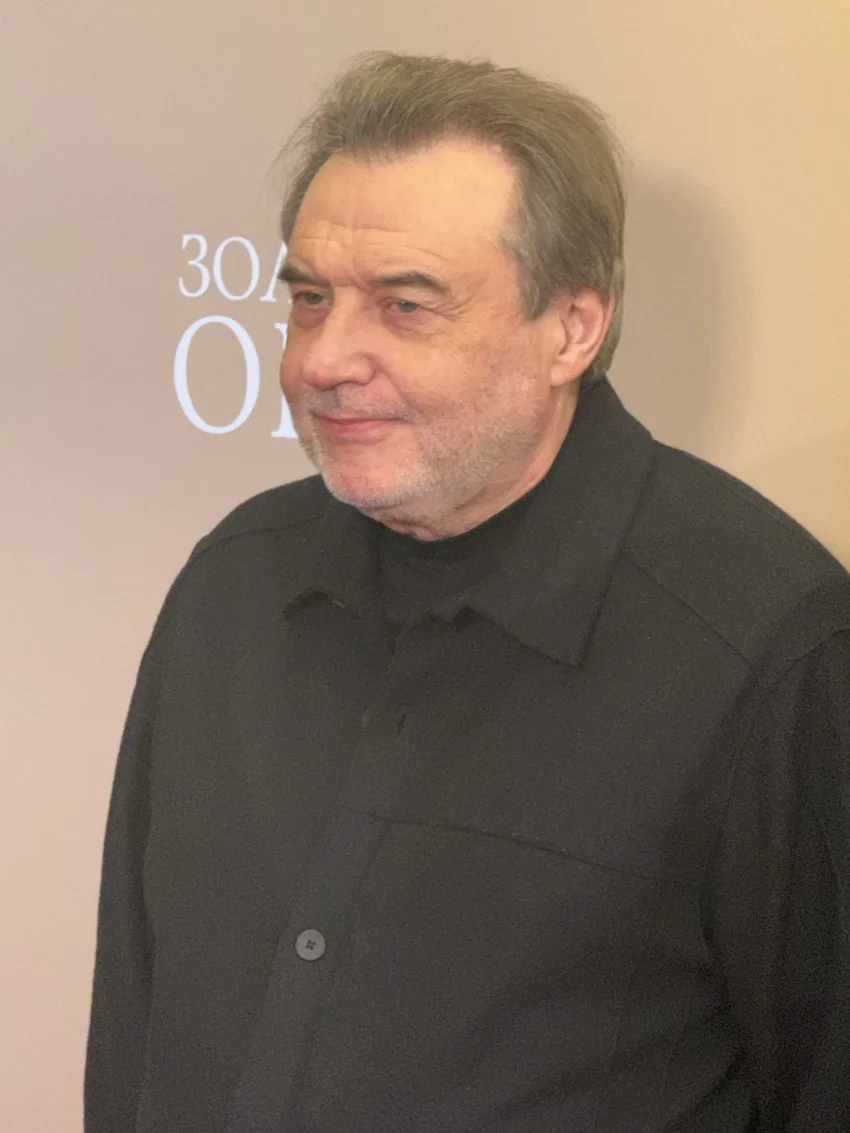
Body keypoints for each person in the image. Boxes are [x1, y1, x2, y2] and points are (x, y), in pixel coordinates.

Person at [85, 52, 850, 1133]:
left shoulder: (769, 648)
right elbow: (136, 1015)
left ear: (572, 327)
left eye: (404, 305)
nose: (323, 359)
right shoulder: (232, 584)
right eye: (310, 298)